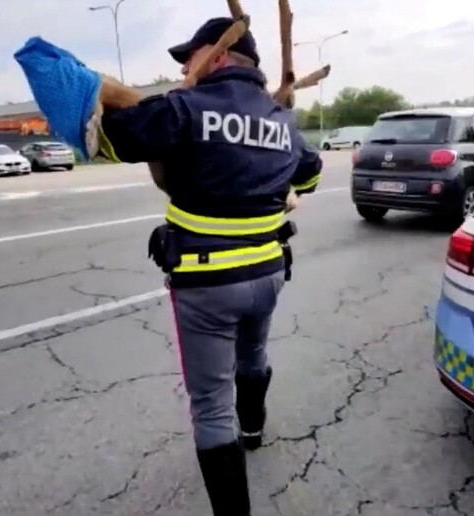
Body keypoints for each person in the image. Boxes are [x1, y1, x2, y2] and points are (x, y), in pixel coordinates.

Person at [96, 17, 323, 516]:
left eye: (189, 58)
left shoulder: (185, 107)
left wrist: (96, 97)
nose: (184, 67)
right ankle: (255, 428)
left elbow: (113, 138)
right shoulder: (280, 118)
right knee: (254, 353)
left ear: (217, 57)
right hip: (268, 272)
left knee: (210, 408)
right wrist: (291, 197)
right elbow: (310, 172)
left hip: (207, 281)